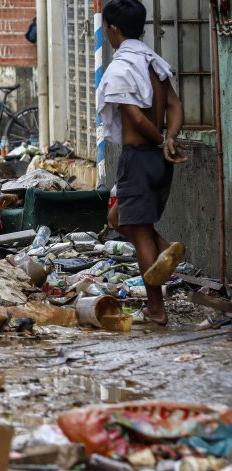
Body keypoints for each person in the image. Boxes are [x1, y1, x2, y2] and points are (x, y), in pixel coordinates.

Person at [98, 0, 186, 326]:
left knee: (140, 234)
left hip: (139, 157)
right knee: (117, 217)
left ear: (113, 29)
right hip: (157, 159)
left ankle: (156, 309)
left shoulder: (122, 69)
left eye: (106, 29)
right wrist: (170, 137)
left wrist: (162, 141)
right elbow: (175, 106)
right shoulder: (153, 62)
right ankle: (164, 248)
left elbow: (135, 118)